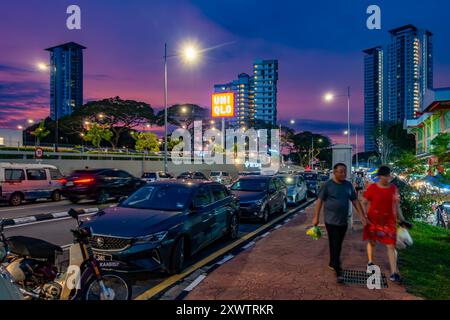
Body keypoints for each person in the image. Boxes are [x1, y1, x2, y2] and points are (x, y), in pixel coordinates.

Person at [312, 163, 368, 283]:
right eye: (340, 171)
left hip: (343, 221)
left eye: (344, 171)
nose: (343, 174)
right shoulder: (327, 185)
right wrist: (316, 217)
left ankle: (332, 262)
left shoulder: (348, 185)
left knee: (336, 243)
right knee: (336, 244)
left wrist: (362, 216)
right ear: (334, 172)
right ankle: (338, 271)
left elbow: (355, 201)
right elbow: (319, 201)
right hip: (330, 221)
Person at [363, 165, 406, 283]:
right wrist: (365, 217)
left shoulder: (393, 189)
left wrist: (402, 219)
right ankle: (370, 261)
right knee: (372, 242)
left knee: (391, 246)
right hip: (373, 221)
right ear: (379, 176)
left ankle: (393, 273)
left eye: (388, 176)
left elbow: (397, 205)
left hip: (389, 222)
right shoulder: (372, 188)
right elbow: (364, 202)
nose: (387, 178)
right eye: (385, 176)